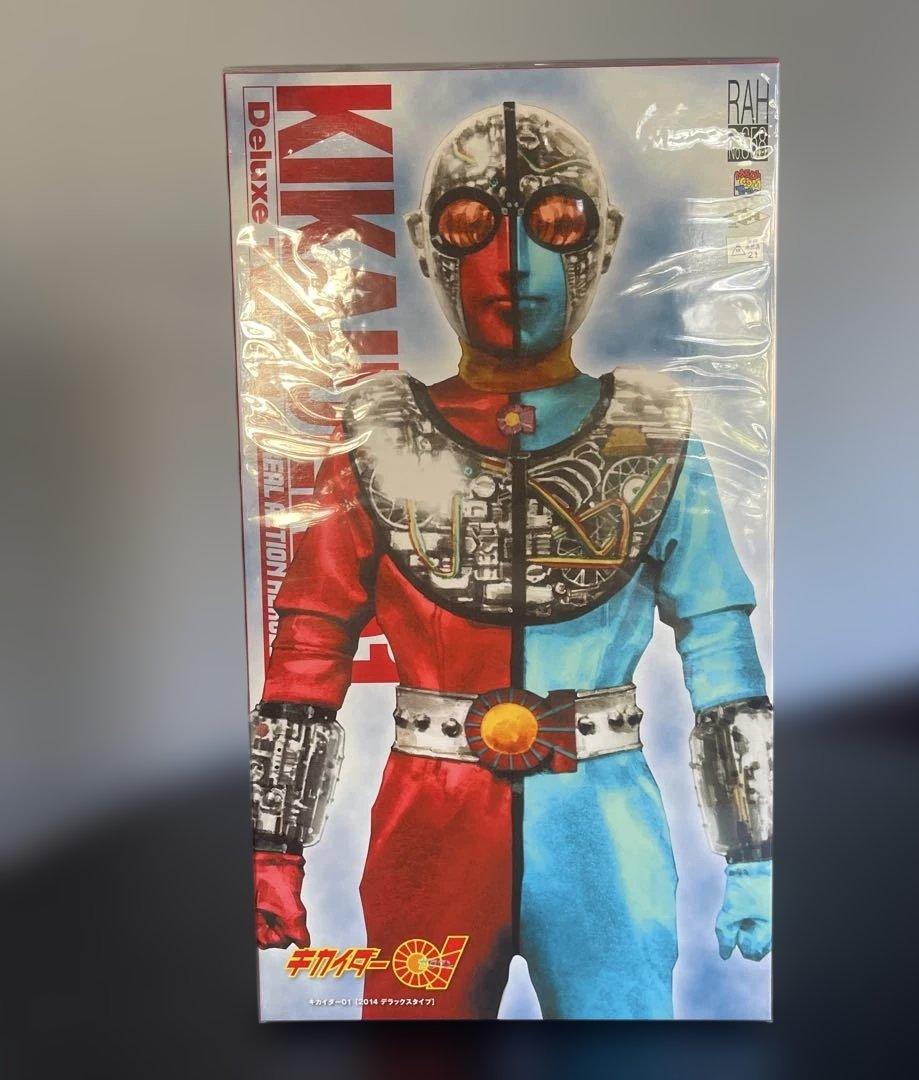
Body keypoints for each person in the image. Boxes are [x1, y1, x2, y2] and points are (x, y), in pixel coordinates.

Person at [249, 102, 773, 1019]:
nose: (515, 261)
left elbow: (717, 634)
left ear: (603, 238)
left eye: (556, 222)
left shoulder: (653, 431)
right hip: (432, 822)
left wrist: (756, 854)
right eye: (471, 224)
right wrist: (272, 847)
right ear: (426, 243)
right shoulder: (373, 435)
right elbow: (311, 638)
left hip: (599, 827)